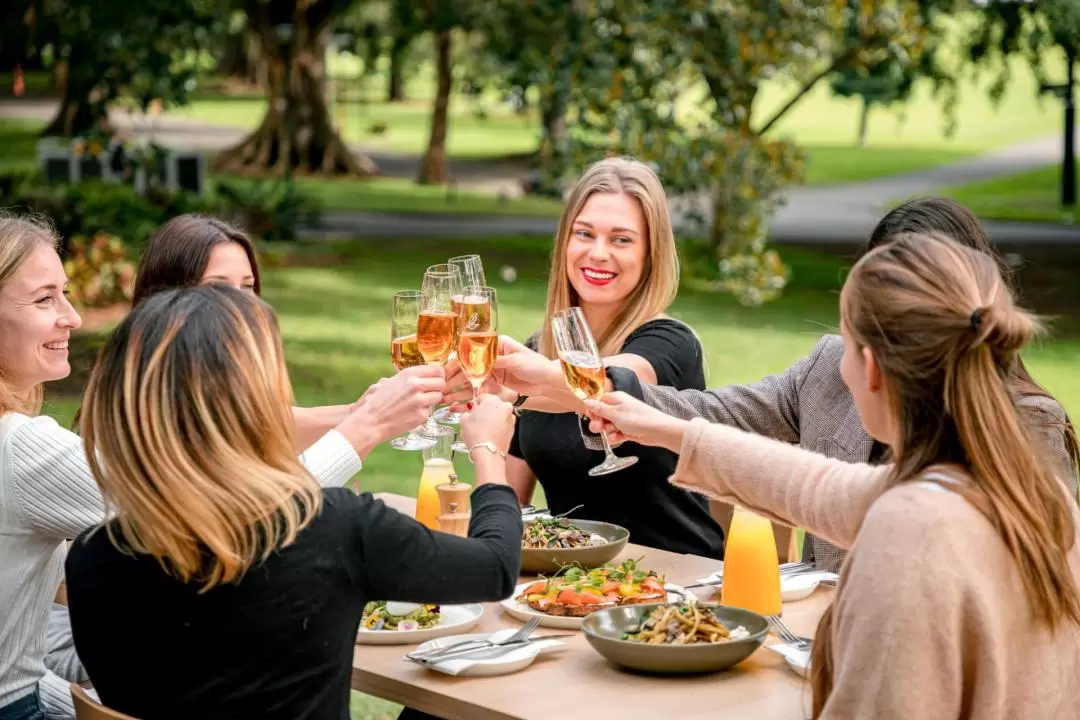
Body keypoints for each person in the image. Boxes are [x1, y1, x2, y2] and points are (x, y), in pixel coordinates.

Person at [586, 232, 1080, 719]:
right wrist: (663, 429)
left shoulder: (910, 528)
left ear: (870, 368)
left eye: (844, 343)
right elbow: (812, 486)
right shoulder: (1023, 487)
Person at [0, 214, 440, 720]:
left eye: (249, 288)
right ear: (166, 305)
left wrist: (363, 412)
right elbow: (233, 522)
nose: (74, 317)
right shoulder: (29, 448)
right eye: (43, 298)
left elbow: (229, 434)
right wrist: (362, 430)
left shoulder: (95, 416)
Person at [64, 285, 522, 719]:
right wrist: (488, 452)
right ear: (255, 400)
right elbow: (496, 567)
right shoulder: (330, 527)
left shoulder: (91, 559)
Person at [597, 196, 1078, 571]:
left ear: (872, 361)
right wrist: (621, 397)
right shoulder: (893, 478)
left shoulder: (1019, 434)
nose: (839, 357)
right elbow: (800, 480)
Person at [446, 156, 725, 558]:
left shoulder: (669, 344)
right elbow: (510, 503)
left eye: (621, 239)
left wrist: (524, 380)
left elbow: (614, 384)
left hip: (677, 578)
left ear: (650, 254)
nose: (598, 253)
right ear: (565, 242)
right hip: (567, 582)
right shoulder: (538, 351)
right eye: (584, 233)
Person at [130, 213, 352, 450]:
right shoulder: (154, 391)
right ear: (170, 295)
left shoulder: (223, 370)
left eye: (247, 286)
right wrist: (366, 424)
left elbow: (263, 425)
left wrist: (365, 412)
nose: (241, 302)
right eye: (218, 287)